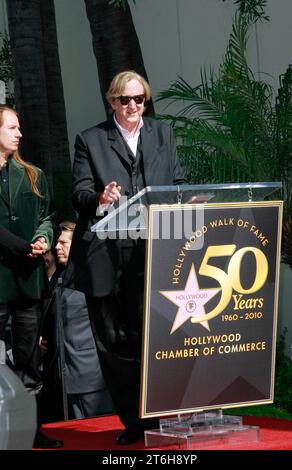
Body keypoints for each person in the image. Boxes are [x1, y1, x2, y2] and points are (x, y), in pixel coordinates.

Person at [64, 70, 186, 444]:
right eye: (125, 100)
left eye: (140, 100)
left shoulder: (162, 134)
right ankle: (134, 421)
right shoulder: (90, 140)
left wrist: (187, 200)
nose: (133, 106)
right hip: (108, 255)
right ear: (112, 101)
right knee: (118, 343)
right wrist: (100, 199)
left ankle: (166, 413)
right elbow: (80, 193)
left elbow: (178, 183)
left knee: (157, 338)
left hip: (156, 252)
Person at [0, 105, 62, 449]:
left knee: (28, 359)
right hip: (2, 279)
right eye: (12, 127)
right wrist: (23, 247)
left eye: (19, 127)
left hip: (28, 282)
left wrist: (43, 239)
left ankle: (31, 430)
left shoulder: (33, 175)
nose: (19, 133)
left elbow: (47, 217)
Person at [40, 222, 113, 422]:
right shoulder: (57, 278)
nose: (57, 247)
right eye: (57, 242)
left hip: (91, 379)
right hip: (62, 379)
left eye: (63, 242)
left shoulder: (91, 277)